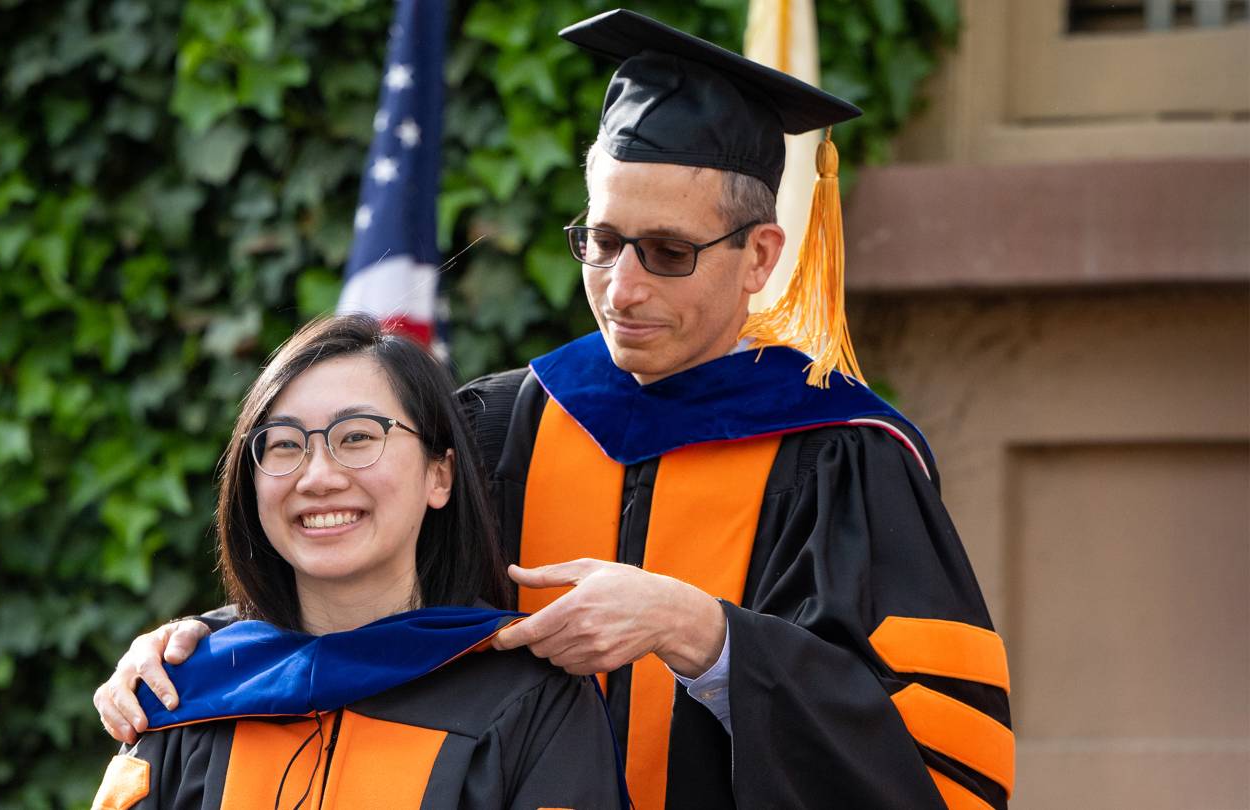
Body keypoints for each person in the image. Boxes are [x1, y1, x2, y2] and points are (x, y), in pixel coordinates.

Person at [96, 10, 1013, 810]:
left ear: (762, 255)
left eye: (667, 252)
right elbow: (369, 602)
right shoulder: (501, 424)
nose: (622, 287)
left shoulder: (844, 461)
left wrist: (700, 635)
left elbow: (949, 767)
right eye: (602, 241)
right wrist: (202, 647)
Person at [89, 315, 627, 809]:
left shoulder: (532, 703)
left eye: (358, 437)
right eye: (283, 445)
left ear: (439, 475)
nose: (318, 477)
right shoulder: (187, 692)